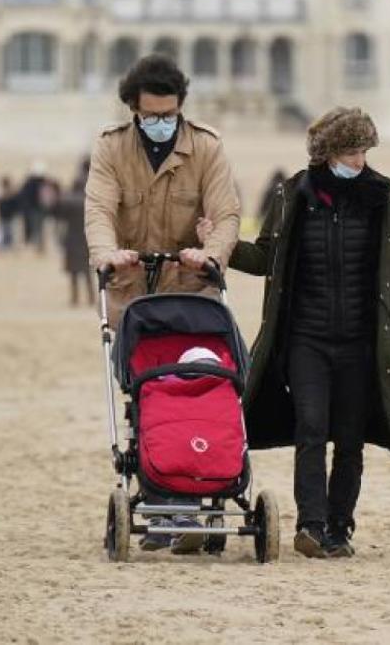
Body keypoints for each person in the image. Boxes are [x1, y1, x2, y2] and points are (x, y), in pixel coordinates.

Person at [218, 107, 390, 560]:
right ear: (326, 153)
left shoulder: (385, 200)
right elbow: (266, 257)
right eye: (351, 151)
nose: (359, 160)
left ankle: (339, 527)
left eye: (364, 150)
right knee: (311, 428)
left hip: (361, 343)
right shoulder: (294, 195)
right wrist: (221, 246)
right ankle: (310, 525)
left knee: (349, 439)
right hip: (305, 340)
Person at [84, 53, 241, 553]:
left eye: (169, 116)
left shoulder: (208, 148)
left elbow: (227, 212)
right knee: (144, 395)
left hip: (191, 292)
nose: (160, 125)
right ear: (133, 109)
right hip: (133, 297)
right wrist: (108, 255)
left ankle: (190, 501)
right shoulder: (110, 150)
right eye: (150, 116)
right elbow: (99, 210)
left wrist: (210, 253)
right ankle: (162, 496)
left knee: (198, 391)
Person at [55, 179, 92, 307]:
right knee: (87, 271)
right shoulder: (88, 201)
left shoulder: (68, 201)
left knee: (73, 272)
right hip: (86, 239)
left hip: (71, 239)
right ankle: (91, 297)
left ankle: (75, 298)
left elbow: (59, 216)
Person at [20, 161, 49, 253]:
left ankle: (38, 247)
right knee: (39, 228)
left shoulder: (29, 183)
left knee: (36, 228)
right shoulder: (44, 182)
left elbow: (24, 196)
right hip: (39, 209)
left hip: (34, 209)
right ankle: (39, 247)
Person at [0, 176, 20, 250]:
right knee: (4, 231)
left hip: (10, 215)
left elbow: (16, 204)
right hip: (4, 215)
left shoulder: (12, 193)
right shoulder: (1, 194)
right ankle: (4, 246)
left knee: (9, 231)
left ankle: (9, 245)